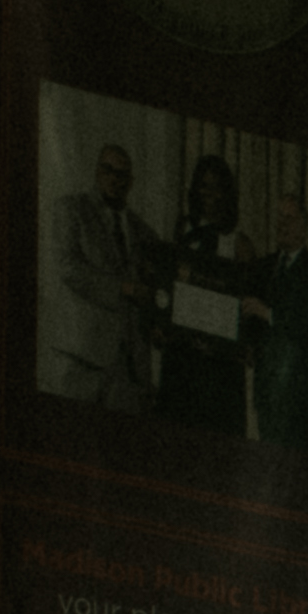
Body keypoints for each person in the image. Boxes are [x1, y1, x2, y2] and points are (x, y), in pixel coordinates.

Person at [240, 178, 308, 454]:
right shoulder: (263, 268)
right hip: (269, 395)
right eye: (279, 218)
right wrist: (250, 343)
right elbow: (247, 319)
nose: (282, 225)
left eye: (290, 218)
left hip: (303, 400)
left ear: (304, 226)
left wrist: (269, 313)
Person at [150, 153, 253, 429]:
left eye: (218, 187)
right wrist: (160, 325)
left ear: (227, 193)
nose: (211, 194)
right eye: (204, 186)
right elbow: (168, 286)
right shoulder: (183, 230)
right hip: (182, 360)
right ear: (195, 190)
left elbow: (246, 305)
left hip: (218, 367)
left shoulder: (239, 243)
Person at [48, 140, 151, 408]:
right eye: (107, 170)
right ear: (96, 172)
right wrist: (122, 288)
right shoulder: (72, 210)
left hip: (128, 367)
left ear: (131, 182)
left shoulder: (144, 232)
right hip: (81, 357)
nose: (114, 179)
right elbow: (68, 268)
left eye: (122, 175)